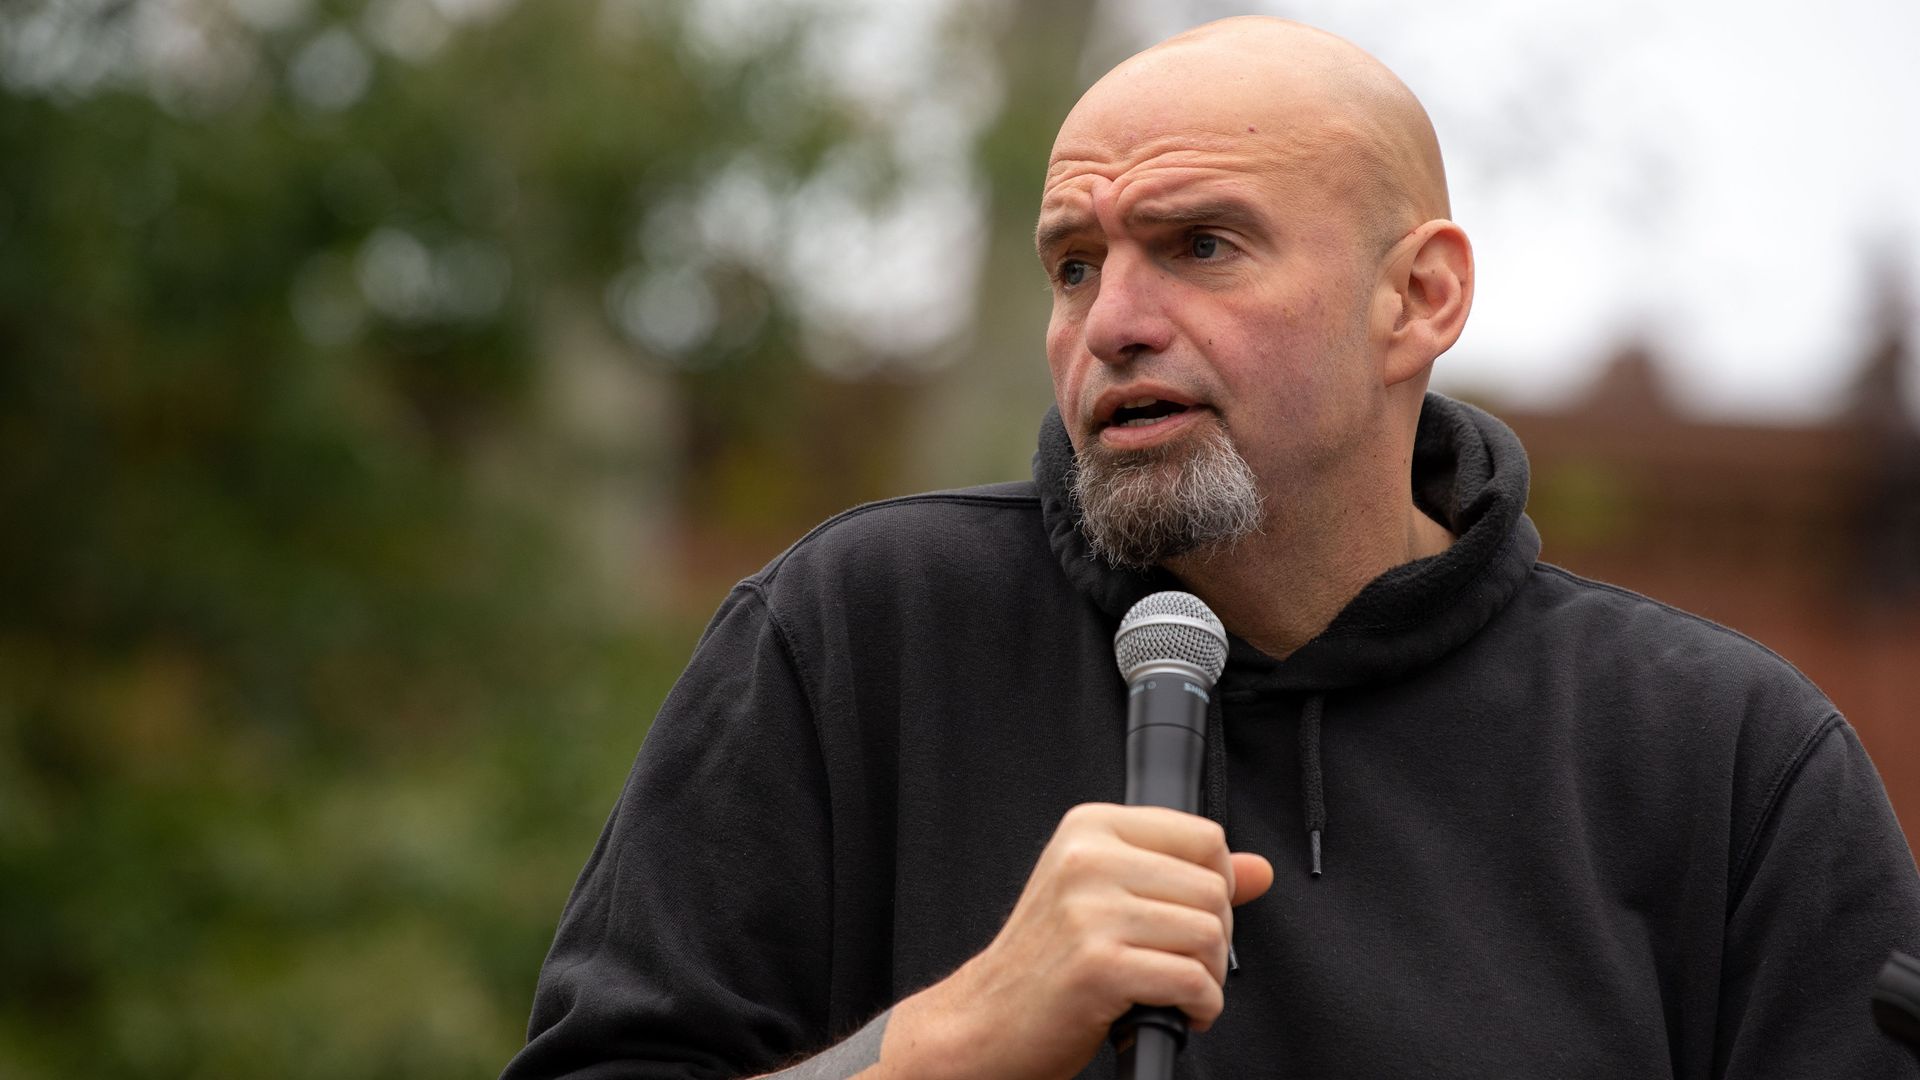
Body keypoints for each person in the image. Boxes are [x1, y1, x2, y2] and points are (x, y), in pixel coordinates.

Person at [503, 17, 1920, 1080]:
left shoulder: (1722, 758)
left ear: (1419, 299)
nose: (1114, 322)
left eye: (1201, 247)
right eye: (1075, 263)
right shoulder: (858, 636)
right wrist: (953, 1040)